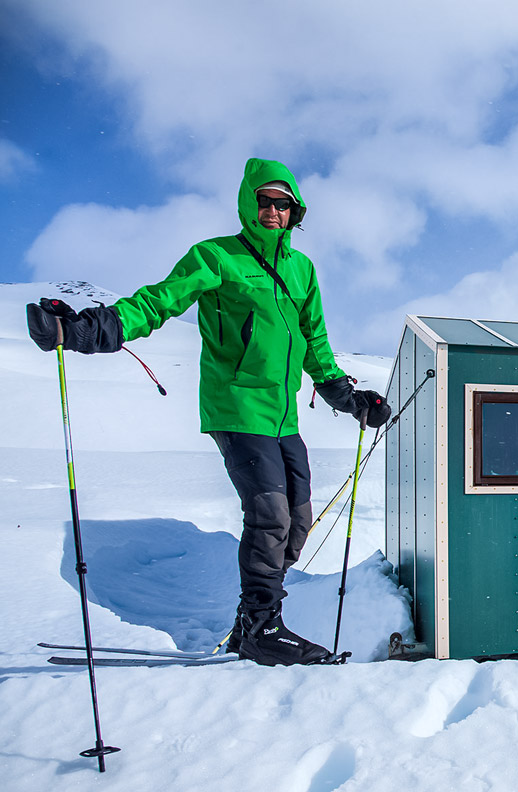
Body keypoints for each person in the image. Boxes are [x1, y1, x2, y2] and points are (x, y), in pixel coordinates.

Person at [27, 157, 391, 667]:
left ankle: (251, 622)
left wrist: (348, 397)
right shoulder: (216, 257)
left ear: (295, 211)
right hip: (236, 406)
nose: (272, 210)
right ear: (249, 203)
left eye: (282, 203)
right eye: (264, 200)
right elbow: (160, 301)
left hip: (282, 416)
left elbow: (315, 341)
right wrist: (96, 328)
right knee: (270, 514)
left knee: (298, 521)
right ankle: (264, 626)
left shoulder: (302, 270)